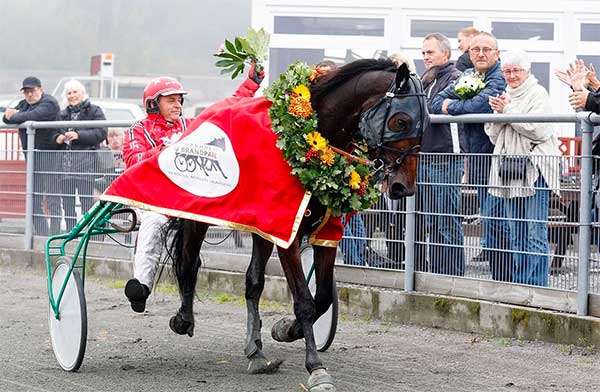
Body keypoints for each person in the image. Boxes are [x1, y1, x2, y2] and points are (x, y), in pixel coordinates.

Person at [124, 66, 264, 313]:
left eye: (179, 100)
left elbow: (225, 110)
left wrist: (251, 84)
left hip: (188, 198)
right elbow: (133, 162)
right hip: (153, 198)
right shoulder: (138, 130)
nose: (177, 105)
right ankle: (142, 285)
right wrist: (165, 151)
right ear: (153, 104)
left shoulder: (189, 125)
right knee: (154, 223)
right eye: (170, 100)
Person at [431, 32, 510, 281]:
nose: (480, 54)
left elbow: (482, 105)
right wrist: (453, 105)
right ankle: (499, 279)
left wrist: (452, 109)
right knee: (491, 221)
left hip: (498, 159)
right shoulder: (468, 76)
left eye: (487, 49)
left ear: (497, 53)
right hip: (476, 158)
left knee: (500, 222)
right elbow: (436, 102)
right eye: (475, 49)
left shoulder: (499, 76)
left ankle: (505, 280)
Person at [486, 50, 561, 286]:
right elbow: (492, 133)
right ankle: (520, 285)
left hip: (533, 169)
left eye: (516, 70)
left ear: (527, 71)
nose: (511, 75)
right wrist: (500, 115)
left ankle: (538, 286)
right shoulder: (503, 94)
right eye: (507, 71)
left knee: (534, 233)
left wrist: (507, 113)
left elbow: (538, 129)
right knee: (515, 232)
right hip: (507, 171)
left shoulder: (538, 93)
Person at [416, 33, 465, 275]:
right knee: (431, 221)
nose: (425, 57)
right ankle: (436, 274)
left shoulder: (456, 77)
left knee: (446, 220)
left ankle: (455, 276)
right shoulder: (425, 80)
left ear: (445, 54)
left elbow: (435, 108)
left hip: (446, 157)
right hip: (425, 157)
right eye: (423, 52)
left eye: (430, 52)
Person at [2, 76, 60, 236]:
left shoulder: (50, 102)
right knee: (34, 199)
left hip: (52, 157)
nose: (29, 95)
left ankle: (56, 236)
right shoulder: (24, 105)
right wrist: (15, 115)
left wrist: (17, 115)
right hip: (33, 159)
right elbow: (6, 118)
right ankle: (43, 235)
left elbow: (34, 115)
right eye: (26, 92)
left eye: (32, 91)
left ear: (40, 89)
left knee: (53, 199)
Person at [51, 79, 107, 233]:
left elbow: (101, 133)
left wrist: (78, 135)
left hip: (86, 166)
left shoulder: (94, 111)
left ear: (82, 93)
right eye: (69, 93)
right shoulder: (62, 114)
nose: (72, 95)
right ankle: (71, 233)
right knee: (67, 205)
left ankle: (90, 234)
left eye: (75, 92)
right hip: (65, 167)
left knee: (87, 203)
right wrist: (58, 138)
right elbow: (53, 133)